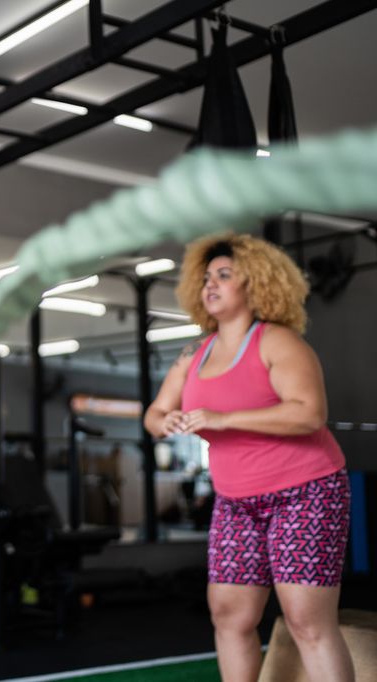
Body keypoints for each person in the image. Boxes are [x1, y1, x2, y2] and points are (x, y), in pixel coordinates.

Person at [145, 234, 353, 682]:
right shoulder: (193, 353)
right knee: (229, 615)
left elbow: (308, 414)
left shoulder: (279, 342)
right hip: (235, 499)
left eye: (224, 275)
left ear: (255, 284)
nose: (210, 284)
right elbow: (154, 413)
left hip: (305, 492)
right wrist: (166, 422)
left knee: (306, 621)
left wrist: (222, 419)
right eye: (206, 277)